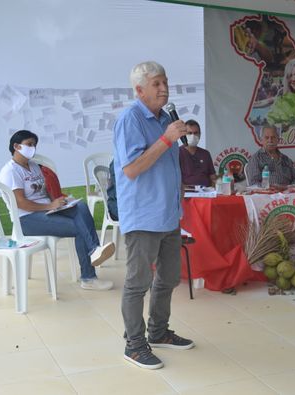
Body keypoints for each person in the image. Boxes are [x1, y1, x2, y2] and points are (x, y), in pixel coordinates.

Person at [113, 61, 194, 370]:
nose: (164, 88)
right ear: (139, 90)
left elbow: (167, 166)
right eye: (156, 83)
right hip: (144, 215)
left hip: (168, 214)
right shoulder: (130, 119)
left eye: (165, 82)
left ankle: (158, 331)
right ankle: (134, 345)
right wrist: (166, 139)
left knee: (169, 277)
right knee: (137, 283)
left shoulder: (165, 120)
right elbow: (132, 169)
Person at [0, 130, 115, 291]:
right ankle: (88, 276)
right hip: (27, 219)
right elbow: (21, 203)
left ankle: (95, 250)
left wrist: (62, 200)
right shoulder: (11, 171)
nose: (33, 148)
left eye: (34, 145)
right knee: (81, 229)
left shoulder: (33, 166)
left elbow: (44, 192)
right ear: (16, 146)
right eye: (29, 144)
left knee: (80, 206)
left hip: (46, 210)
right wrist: (49, 206)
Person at [179, 119, 217, 187]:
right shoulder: (177, 153)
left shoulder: (205, 154)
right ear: (184, 134)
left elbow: (213, 177)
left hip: (206, 193)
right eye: (189, 133)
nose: (193, 136)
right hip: (186, 193)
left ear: (200, 135)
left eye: (196, 133)